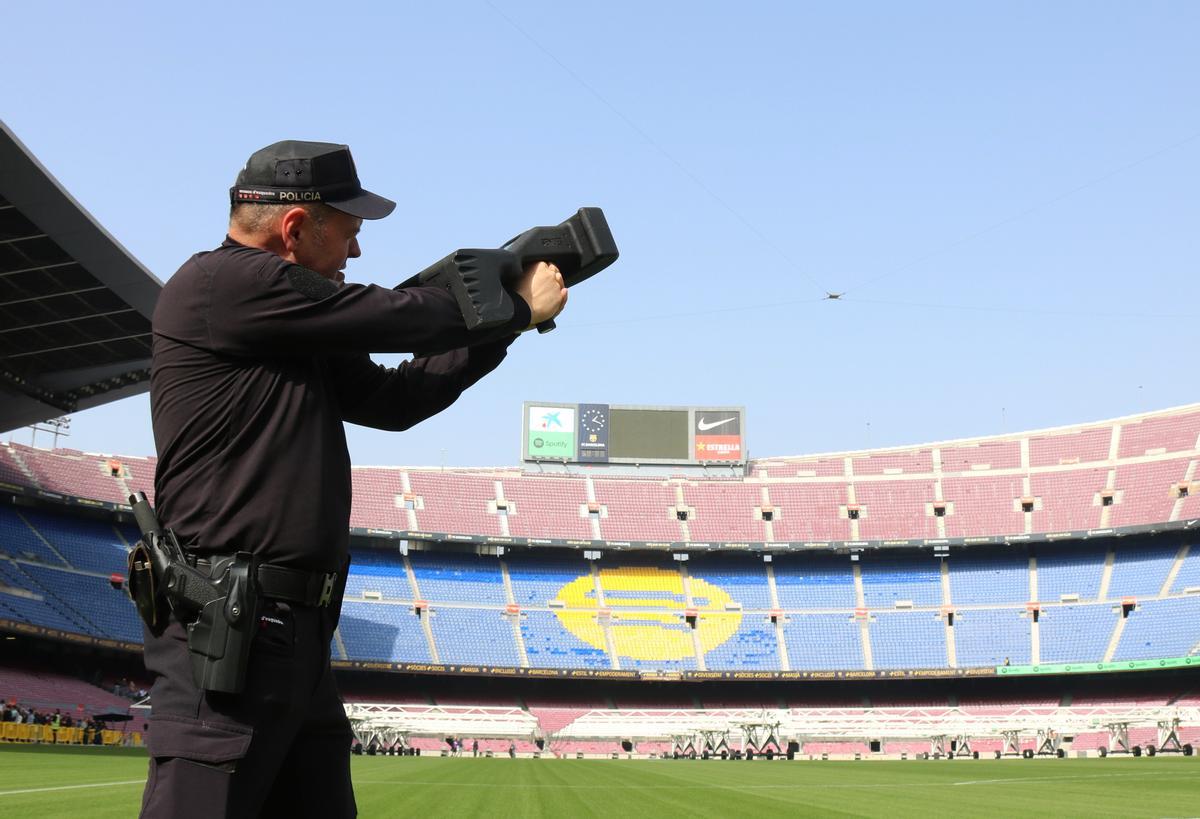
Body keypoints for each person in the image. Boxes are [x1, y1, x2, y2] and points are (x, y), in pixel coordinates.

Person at [138, 140, 567, 819]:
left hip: (291, 637)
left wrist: (499, 332)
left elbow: (394, 400)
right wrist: (514, 305)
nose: (356, 254)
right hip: (225, 632)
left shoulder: (287, 328)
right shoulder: (223, 285)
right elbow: (396, 315)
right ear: (296, 227)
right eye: (350, 233)